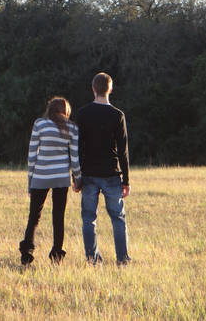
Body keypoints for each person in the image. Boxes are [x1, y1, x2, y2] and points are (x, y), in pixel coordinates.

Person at [76, 72, 131, 266]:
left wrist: (76, 176)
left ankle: (93, 259)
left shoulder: (82, 114)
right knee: (118, 218)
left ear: (93, 89)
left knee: (89, 218)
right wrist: (126, 181)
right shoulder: (118, 115)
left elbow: (78, 147)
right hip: (111, 173)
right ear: (110, 89)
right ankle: (122, 259)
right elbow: (123, 151)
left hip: (89, 173)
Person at [19, 97, 81, 265]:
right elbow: (74, 158)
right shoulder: (72, 128)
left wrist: (30, 180)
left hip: (40, 176)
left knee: (34, 216)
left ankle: (27, 253)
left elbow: (32, 155)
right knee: (58, 217)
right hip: (61, 178)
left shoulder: (39, 124)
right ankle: (56, 255)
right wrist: (78, 179)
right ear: (66, 111)